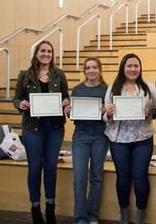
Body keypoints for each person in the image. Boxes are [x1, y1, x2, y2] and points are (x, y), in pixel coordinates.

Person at [13, 40, 70, 224]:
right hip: (32, 128)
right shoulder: (25, 75)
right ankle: (35, 208)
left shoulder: (59, 74)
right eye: (43, 51)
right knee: (35, 168)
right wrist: (19, 105)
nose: (46, 54)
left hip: (54, 127)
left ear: (52, 55)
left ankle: (50, 208)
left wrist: (66, 102)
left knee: (51, 168)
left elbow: (65, 96)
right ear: (36, 53)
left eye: (49, 51)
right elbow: (17, 98)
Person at [103, 53, 156, 224]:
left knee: (140, 177)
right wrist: (108, 113)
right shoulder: (113, 88)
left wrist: (151, 113)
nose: (133, 69)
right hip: (119, 139)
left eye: (136, 66)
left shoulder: (148, 87)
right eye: (129, 66)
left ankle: (141, 215)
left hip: (143, 138)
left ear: (140, 68)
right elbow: (104, 117)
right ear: (123, 68)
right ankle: (124, 214)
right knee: (123, 178)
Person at [64, 57, 109, 224]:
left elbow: (110, 116)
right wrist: (69, 111)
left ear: (100, 70)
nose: (91, 70)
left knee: (96, 177)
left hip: (100, 134)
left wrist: (106, 110)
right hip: (81, 135)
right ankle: (80, 218)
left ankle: (92, 216)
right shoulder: (77, 90)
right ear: (84, 71)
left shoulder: (106, 90)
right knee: (79, 178)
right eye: (88, 68)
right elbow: (72, 115)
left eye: (94, 67)